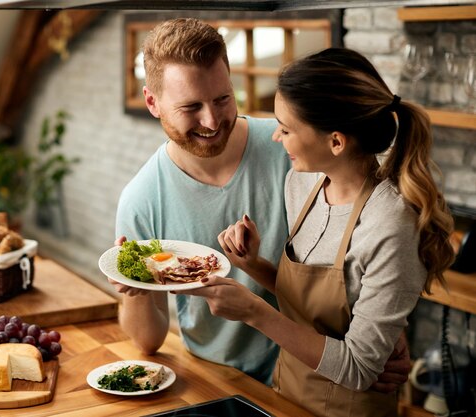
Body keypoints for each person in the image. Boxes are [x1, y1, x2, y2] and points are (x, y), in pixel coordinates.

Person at [111, 17, 410, 392]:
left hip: (320, 380)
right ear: (152, 102)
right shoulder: (141, 200)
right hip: (220, 381)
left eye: (222, 99)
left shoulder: (294, 149)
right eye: (191, 107)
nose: (211, 120)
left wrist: (385, 328)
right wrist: (135, 288)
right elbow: (148, 342)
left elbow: (367, 246)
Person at [200, 47, 455, 416]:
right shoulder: (302, 185)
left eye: (286, 129)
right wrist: (252, 264)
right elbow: (314, 307)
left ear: (336, 142)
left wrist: (255, 313)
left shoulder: (390, 224)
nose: (276, 138)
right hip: (285, 393)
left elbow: (360, 367)